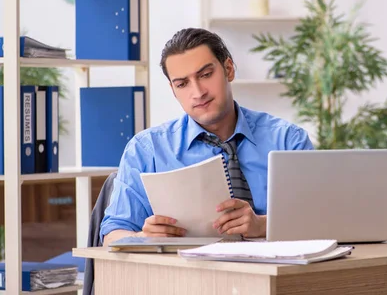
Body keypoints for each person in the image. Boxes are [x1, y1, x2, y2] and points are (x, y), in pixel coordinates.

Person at [100, 28, 313, 245]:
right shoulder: (147, 150)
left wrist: (263, 225)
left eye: (205, 75)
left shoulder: (288, 140)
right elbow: (111, 237)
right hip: (186, 276)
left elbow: (320, 220)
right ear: (173, 90)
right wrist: (143, 237)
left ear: (228, 69)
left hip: (279, 275)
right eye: (182, 84)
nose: (198, 92)